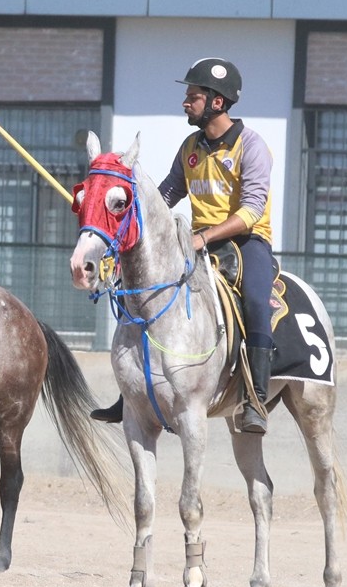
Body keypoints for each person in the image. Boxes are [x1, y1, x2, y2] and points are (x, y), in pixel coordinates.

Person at [91, 57, 277, 433]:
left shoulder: (251, 146)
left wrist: (203, 237)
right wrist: (126, 217)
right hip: (196, 241)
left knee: (257, 301)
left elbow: (252, 211)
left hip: (245, 242)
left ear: (217, 102)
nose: (185, 102)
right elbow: (166, 196)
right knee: (140, 293)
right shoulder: (190, 145)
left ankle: (255, 398)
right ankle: (131, 392)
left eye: (193, 95)